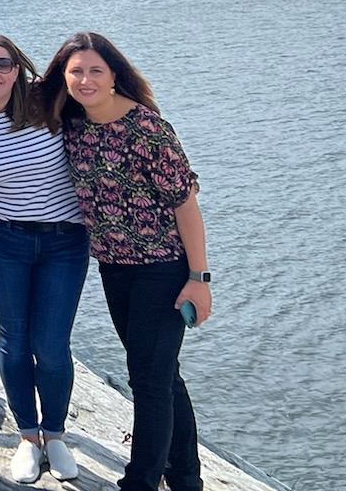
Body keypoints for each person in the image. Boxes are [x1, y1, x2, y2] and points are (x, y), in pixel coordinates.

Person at [39, 32, 211, 491]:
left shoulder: (147, 128)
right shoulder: (72, 124)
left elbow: (186, 204)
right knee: (163, 376)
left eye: (96, 70)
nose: (85, 79)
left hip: (163, 268)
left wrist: (199, 278)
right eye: (75, 71)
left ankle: (139, 482)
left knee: (148, 381)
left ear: (115, 75)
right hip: (114, 270)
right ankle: (186, 479)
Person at [0, 34, 87, 484]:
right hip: (4, 242)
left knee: (51, 344)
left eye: (2, 64)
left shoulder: (48, 105)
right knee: (14, 339)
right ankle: (28, 437)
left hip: (65, 242)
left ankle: (56, 435)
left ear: (17, 68)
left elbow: (97, 95)